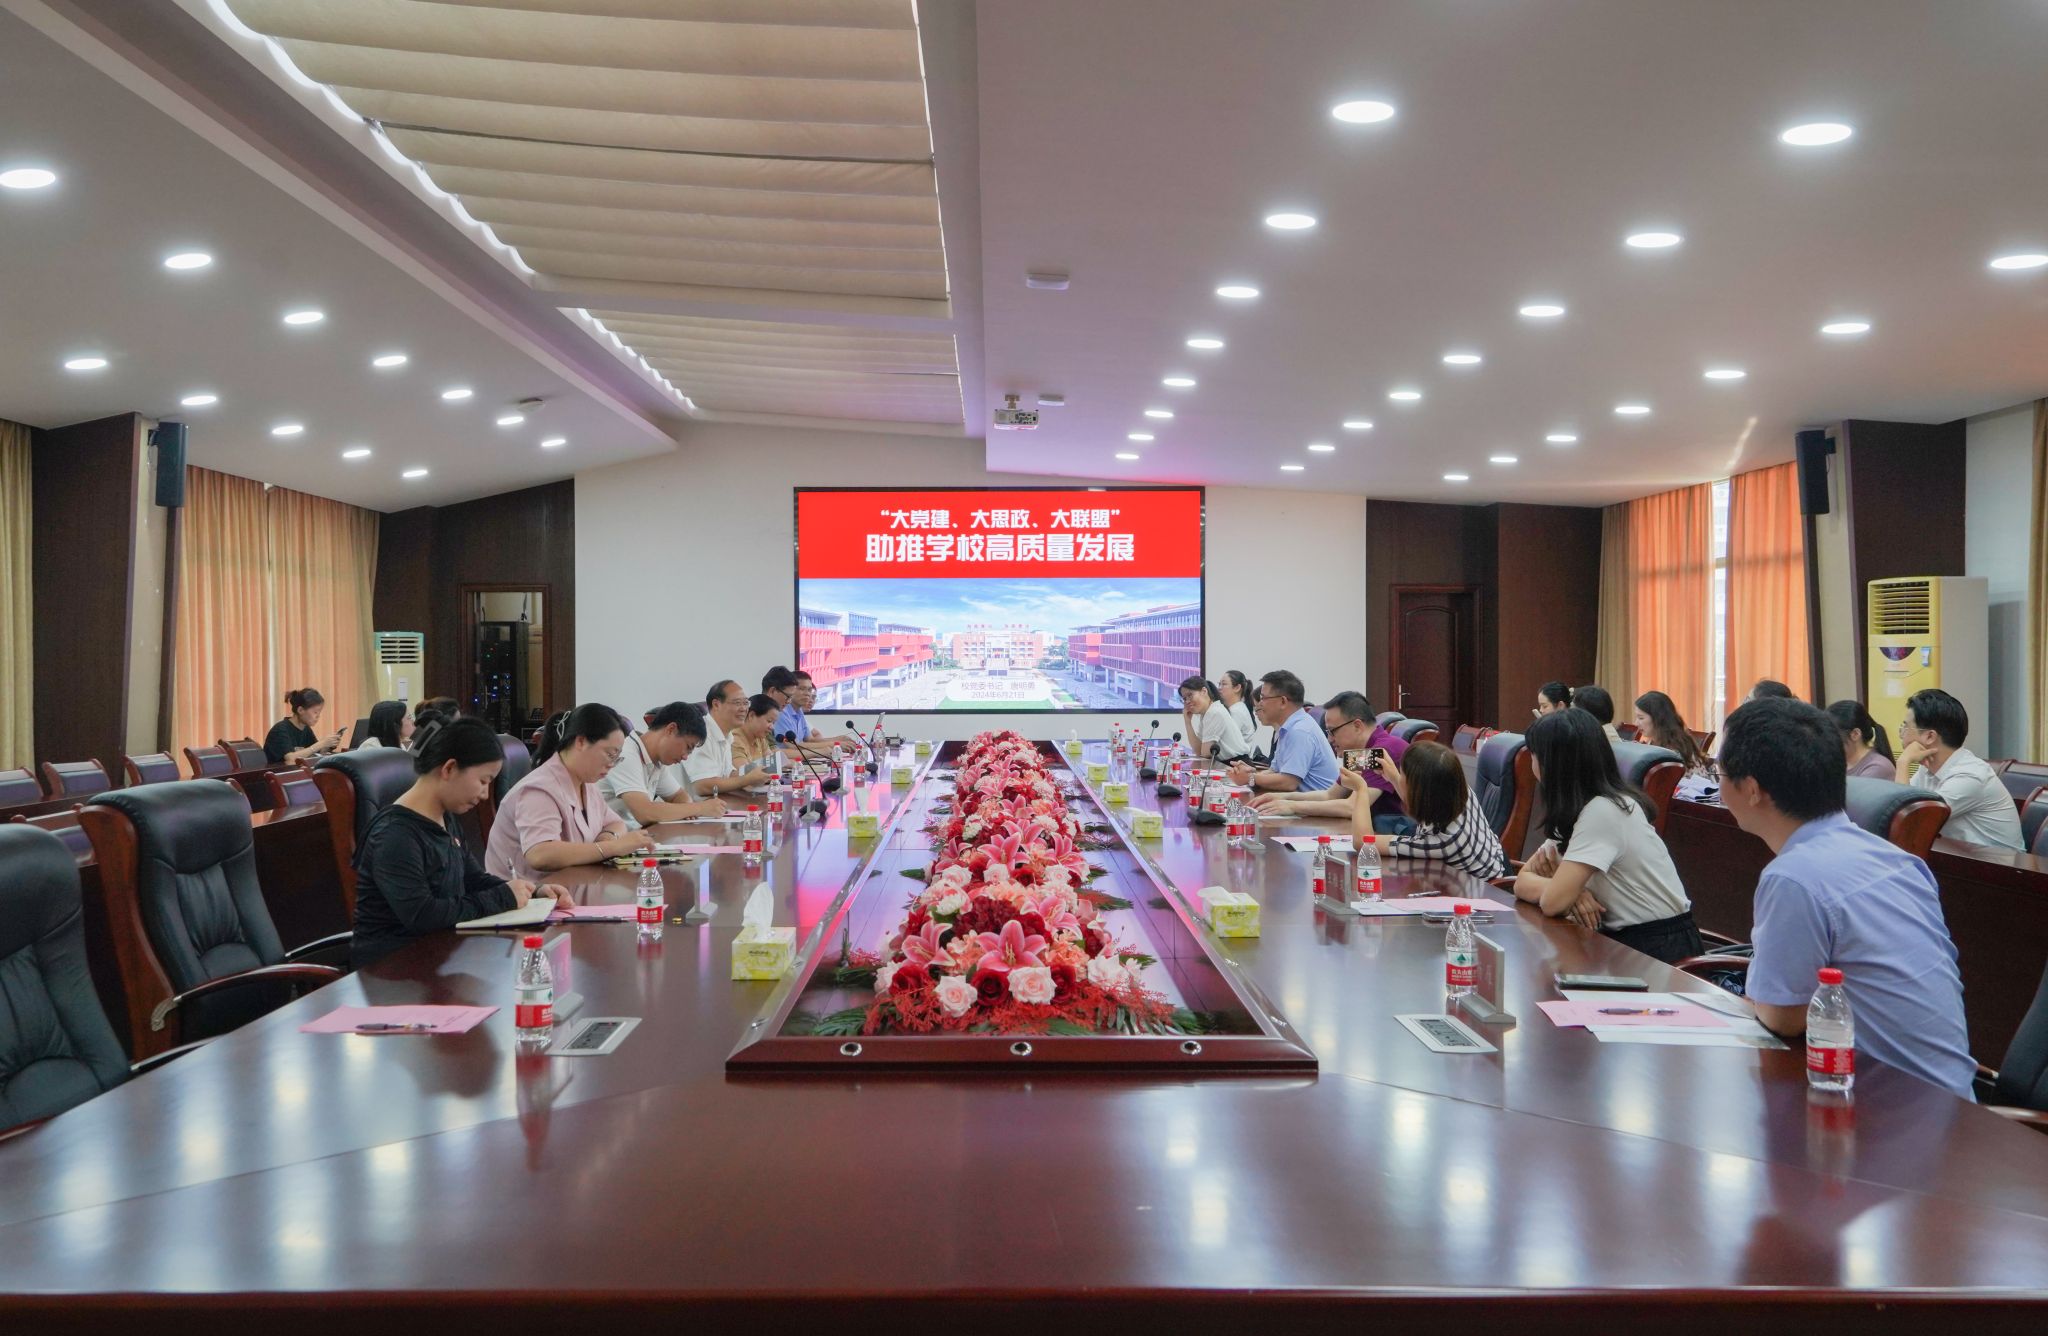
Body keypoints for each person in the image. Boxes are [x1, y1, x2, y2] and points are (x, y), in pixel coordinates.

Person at [1715, 697, 1974, 1097]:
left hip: (1886, 1107)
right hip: (1954, 1103)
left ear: (1751, 789)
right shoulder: (1895, 858)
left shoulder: (1795, 876)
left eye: (1719, 773)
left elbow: (1783, 1018)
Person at [349, 716, 574, 967]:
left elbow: (473, 879)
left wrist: (532, 891)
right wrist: (503, 897)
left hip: (443, 956)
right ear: (449, 769)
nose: (485, 794)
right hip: (393, 969)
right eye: (483, 781)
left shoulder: (444, 818)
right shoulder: (394, 835)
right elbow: (423, 915)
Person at [1512, 708, 1702, 962]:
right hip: (1621, 941)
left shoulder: (1603, 811)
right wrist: (1571, 892)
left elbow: (1552, 903)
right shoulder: (1578, 810)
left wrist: (1562, 891)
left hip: (1658, 950)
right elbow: (1522, 882)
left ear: (1552, 764)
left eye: (1534, 756)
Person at [486, 703, 653, 881]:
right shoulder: (539, 789)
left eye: (617, 758)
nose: (611, 765)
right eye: (610, 754)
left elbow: (615, 823)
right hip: (528, 893)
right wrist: (611, 848)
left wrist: (607, 838)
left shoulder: (585, 783)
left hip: (570, 885)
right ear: (581, 742)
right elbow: (540, 854)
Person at [1247, 690, 1414, 833]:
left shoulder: (1383, 750)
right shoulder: (1362, 752)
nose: (1330, 739)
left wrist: (1292, 807)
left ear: (1357, 726)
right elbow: (1330, 795)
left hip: (1392, 834)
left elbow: (1352, 807)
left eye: (1332, 731)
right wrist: (1279, 798)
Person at [1339, 740, 1506, 879]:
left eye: (1403, 775)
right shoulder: (1456, 791)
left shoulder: (1441, 841)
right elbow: (1419, 801)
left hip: (1481, 896)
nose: (1400, 777)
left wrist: (1361, 789)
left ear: (1418, 791)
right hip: (1493, 865)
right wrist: (1393, 777)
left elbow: (1364, 843)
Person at [1897, 688, 2024, 851]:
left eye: (1905, 727)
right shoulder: (1927, 769)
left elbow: (1909, 824)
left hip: (1998, 864)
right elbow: (1899, 813)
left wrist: (1903, 762)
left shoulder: (1969, 776)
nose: (1901, 734)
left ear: (1929, 736)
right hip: (1958, 858)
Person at [603, 701, 728, 827]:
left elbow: (679, 796)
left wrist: (689, 809)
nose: (685, 757)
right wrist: (699, 808)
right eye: (688, 747)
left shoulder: (655, 761)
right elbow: (645, 813)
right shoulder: (626, 755)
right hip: (611, 836)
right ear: (671, 729)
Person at [1222, 670, 1340, 797]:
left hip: (1317, 806)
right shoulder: (1287, 728)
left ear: (1283, 701)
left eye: (1263, 698)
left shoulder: (1299, 731)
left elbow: (1289, 782)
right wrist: (1250, 774)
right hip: (1297, 799)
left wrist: (1251, 778)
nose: (1260, 704)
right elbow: (1275, 771)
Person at [686, 680, 769, 798]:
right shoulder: (701, 733)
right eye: (737, 703)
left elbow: (727, 775)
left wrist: (759, 773)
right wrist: (747, 779)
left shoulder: (727, 734)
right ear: (716, 705)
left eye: (746, 703)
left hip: (716, 803)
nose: (744, 709)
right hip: (694, 806)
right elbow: (703, 786)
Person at [1633, 690, 1711, 774]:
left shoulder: (1675, 749)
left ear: (1658, 719)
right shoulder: (1655, 741)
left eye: (1641, 718)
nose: (1636, 723)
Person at [1178, 676, 1249, 761]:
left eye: (1190, 695)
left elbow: (1205, 753)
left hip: (1237, 764)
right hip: (1227, 763)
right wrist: (1188, 722)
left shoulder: (1214, 712)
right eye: (1184, 698)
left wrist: (1202, 752)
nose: (1187, 701)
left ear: (1204, 691)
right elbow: (1198, 751)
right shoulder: (1206, 714)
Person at [265, 688, 343, 764]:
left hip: (297, 771)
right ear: (300, 710)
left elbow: (316, 752)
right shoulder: (280, 730)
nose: (318, 716)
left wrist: (328, 744)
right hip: (278, 771)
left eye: (319, 712)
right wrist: (321, 743)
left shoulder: (306, 728)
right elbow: (291, 759)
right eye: (315, 712)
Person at [1826, 699, 1896, 781]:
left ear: (1855, 734)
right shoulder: (1835, 763)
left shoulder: (1878, 767)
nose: (1826, 740)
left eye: (1831, 734)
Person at [730, 694, 783, 772]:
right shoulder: (734, 739)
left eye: (773, 723)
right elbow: (745, 773)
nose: (772, 727)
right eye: (769, 721)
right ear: (751, 715)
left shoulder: (760, 737)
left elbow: (772, 766)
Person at [1218, 670, 1261, 754]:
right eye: (1219, 684)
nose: (1219, 688)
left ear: (1237, 688)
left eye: (1224, 684)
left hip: (1237, 760)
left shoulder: (1237, 711)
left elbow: (1225, 745)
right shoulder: (1236, 709)